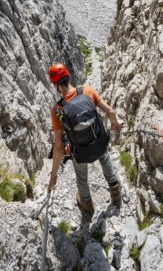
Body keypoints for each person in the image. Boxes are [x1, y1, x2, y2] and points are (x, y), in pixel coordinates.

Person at [47, 62, 122, 212]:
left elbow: (59, 147)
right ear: (68, 76)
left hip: (81, 151)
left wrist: (53, 176)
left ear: (56, 86)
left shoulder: (57, 110)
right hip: (99, 143)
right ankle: (115, 191)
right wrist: (115, 124)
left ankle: (87, 203)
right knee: (105, 158)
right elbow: (110, 111)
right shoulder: (87, 90)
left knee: (81, 176)